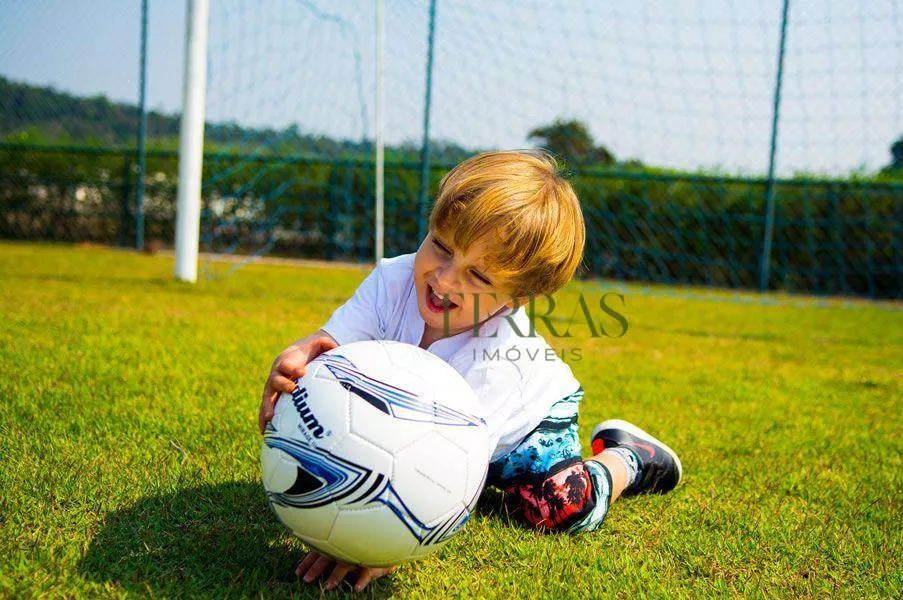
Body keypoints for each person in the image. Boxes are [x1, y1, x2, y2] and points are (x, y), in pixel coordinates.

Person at [258, 150, 682, 593]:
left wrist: (385, 544)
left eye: (478, 275)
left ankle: (627, 457)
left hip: (524, 427)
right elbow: (331, 352)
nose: (444, 279)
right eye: (441, 246)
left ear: (516, 297)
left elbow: (450, 469)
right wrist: (299, 360)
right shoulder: (392, 281)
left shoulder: (501, 357)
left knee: (555, 509)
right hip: (430, 423)